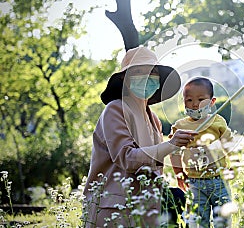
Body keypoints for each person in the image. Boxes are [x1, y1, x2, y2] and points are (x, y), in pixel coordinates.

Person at [83, 46, 197, 227]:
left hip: (146, 209)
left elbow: (153, 165)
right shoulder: (115, 109)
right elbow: (127, 158)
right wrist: (171, 144)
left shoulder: (154, 119)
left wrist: (180, 172)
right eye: (138, 71)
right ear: (124, 78)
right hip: (115, 210)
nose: (147, 76)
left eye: (153, 72)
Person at [169, 77, 232, 228]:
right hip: (194, 181)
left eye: (201, 99)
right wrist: (179, 173)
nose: (195, 104)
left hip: (219, 180)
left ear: (212, 101)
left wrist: (233, 165)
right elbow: (174, 151)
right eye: (189, 100)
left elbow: (229, 145)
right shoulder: (180, 126)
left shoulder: (218, 122)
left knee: (222, 219)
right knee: (198, 220)